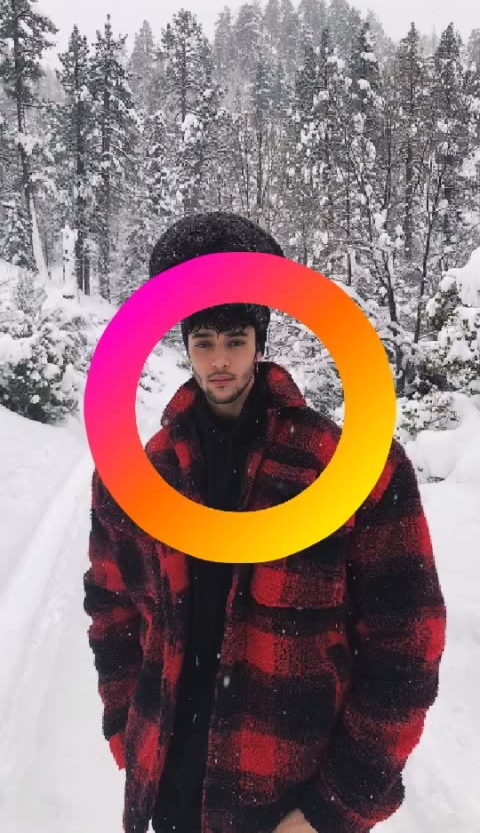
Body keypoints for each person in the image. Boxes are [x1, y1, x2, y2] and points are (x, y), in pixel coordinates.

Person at [83, 211, 446, 833]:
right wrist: (127, 730)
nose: (219, 360)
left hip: (286, 801)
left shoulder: (351, 468)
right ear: (183, 345)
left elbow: (408, 640)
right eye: (204, 341)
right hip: (167, 797)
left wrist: (335, 806)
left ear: (260, 340)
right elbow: (109, 608)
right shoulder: (136, 475)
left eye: (235, 338)